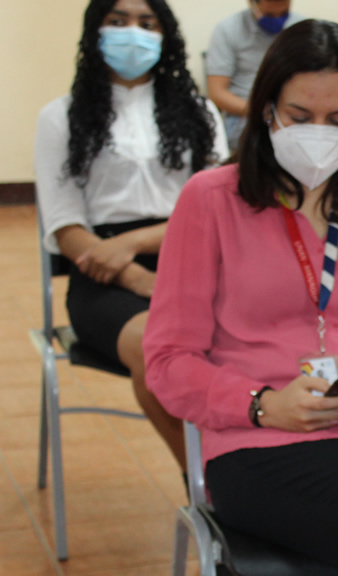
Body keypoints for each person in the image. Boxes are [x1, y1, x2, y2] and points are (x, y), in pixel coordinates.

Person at [143, 19, 338, 575]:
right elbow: (167, 363)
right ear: (266, 112)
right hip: (261, 443)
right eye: (299, 117)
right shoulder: (210, 200)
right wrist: (263, 404)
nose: (319, 133)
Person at [34, 0, 228, 468]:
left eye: (147, 23)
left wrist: (133, 243)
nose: (132, 33)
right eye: (117, 21)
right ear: (94, 32)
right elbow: (65, 228)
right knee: (156, 348)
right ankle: (207, 485)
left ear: (166, 35)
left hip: (189, 260)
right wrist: (138, 277)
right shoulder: (59, 117)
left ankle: (249, 464)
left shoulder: (201, 112)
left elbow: (216, 212)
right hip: (103, 279)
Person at [206, 0, 303, 149]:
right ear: (252, 4)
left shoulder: (300, 28)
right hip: (244, 114)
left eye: (284, 14)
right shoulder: (228, 29)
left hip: (291, 111)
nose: (278, 19)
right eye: (270, 15)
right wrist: (261, 112)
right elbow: (217, 93)